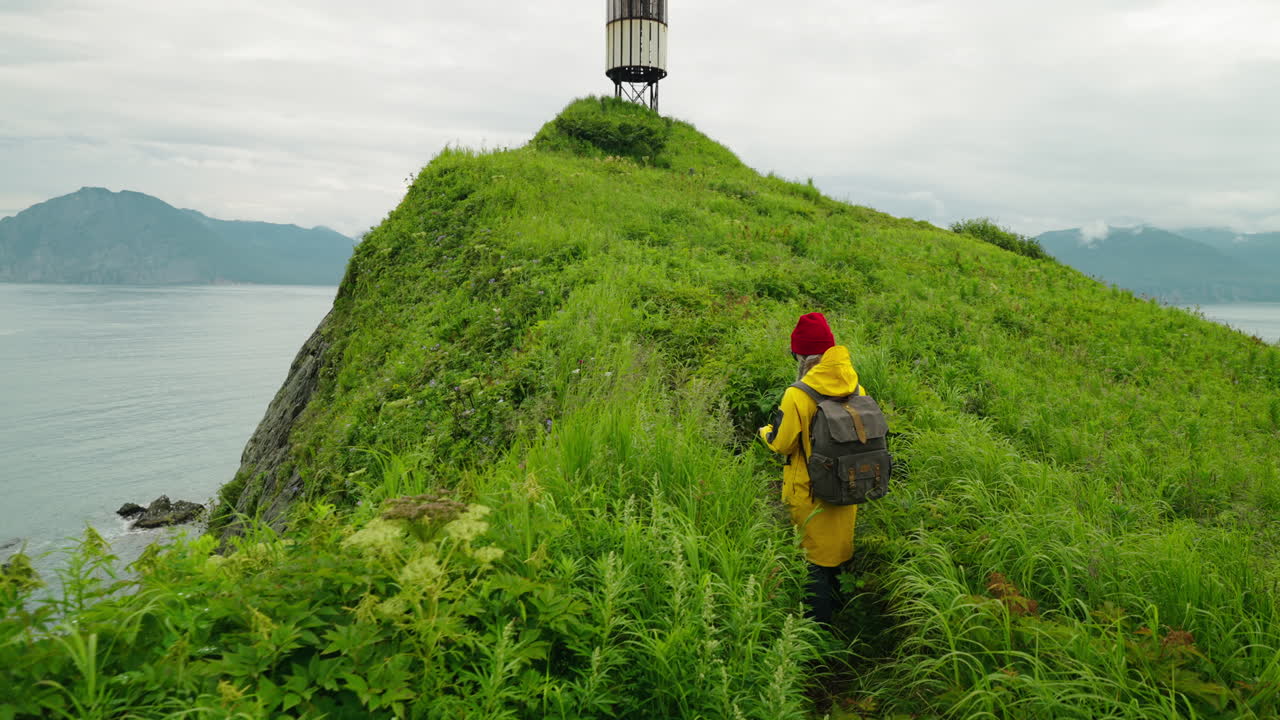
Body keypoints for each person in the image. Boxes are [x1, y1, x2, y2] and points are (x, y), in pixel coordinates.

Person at [758, 312, 866, 625]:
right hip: (848, 486)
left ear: (802, 355)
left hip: (810, 491)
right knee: (838, 555)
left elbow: (783, 443)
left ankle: (818, 633)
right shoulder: (856, 386)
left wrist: (765, 432)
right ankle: (844, 617)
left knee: (812, 562)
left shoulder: (798, 394)